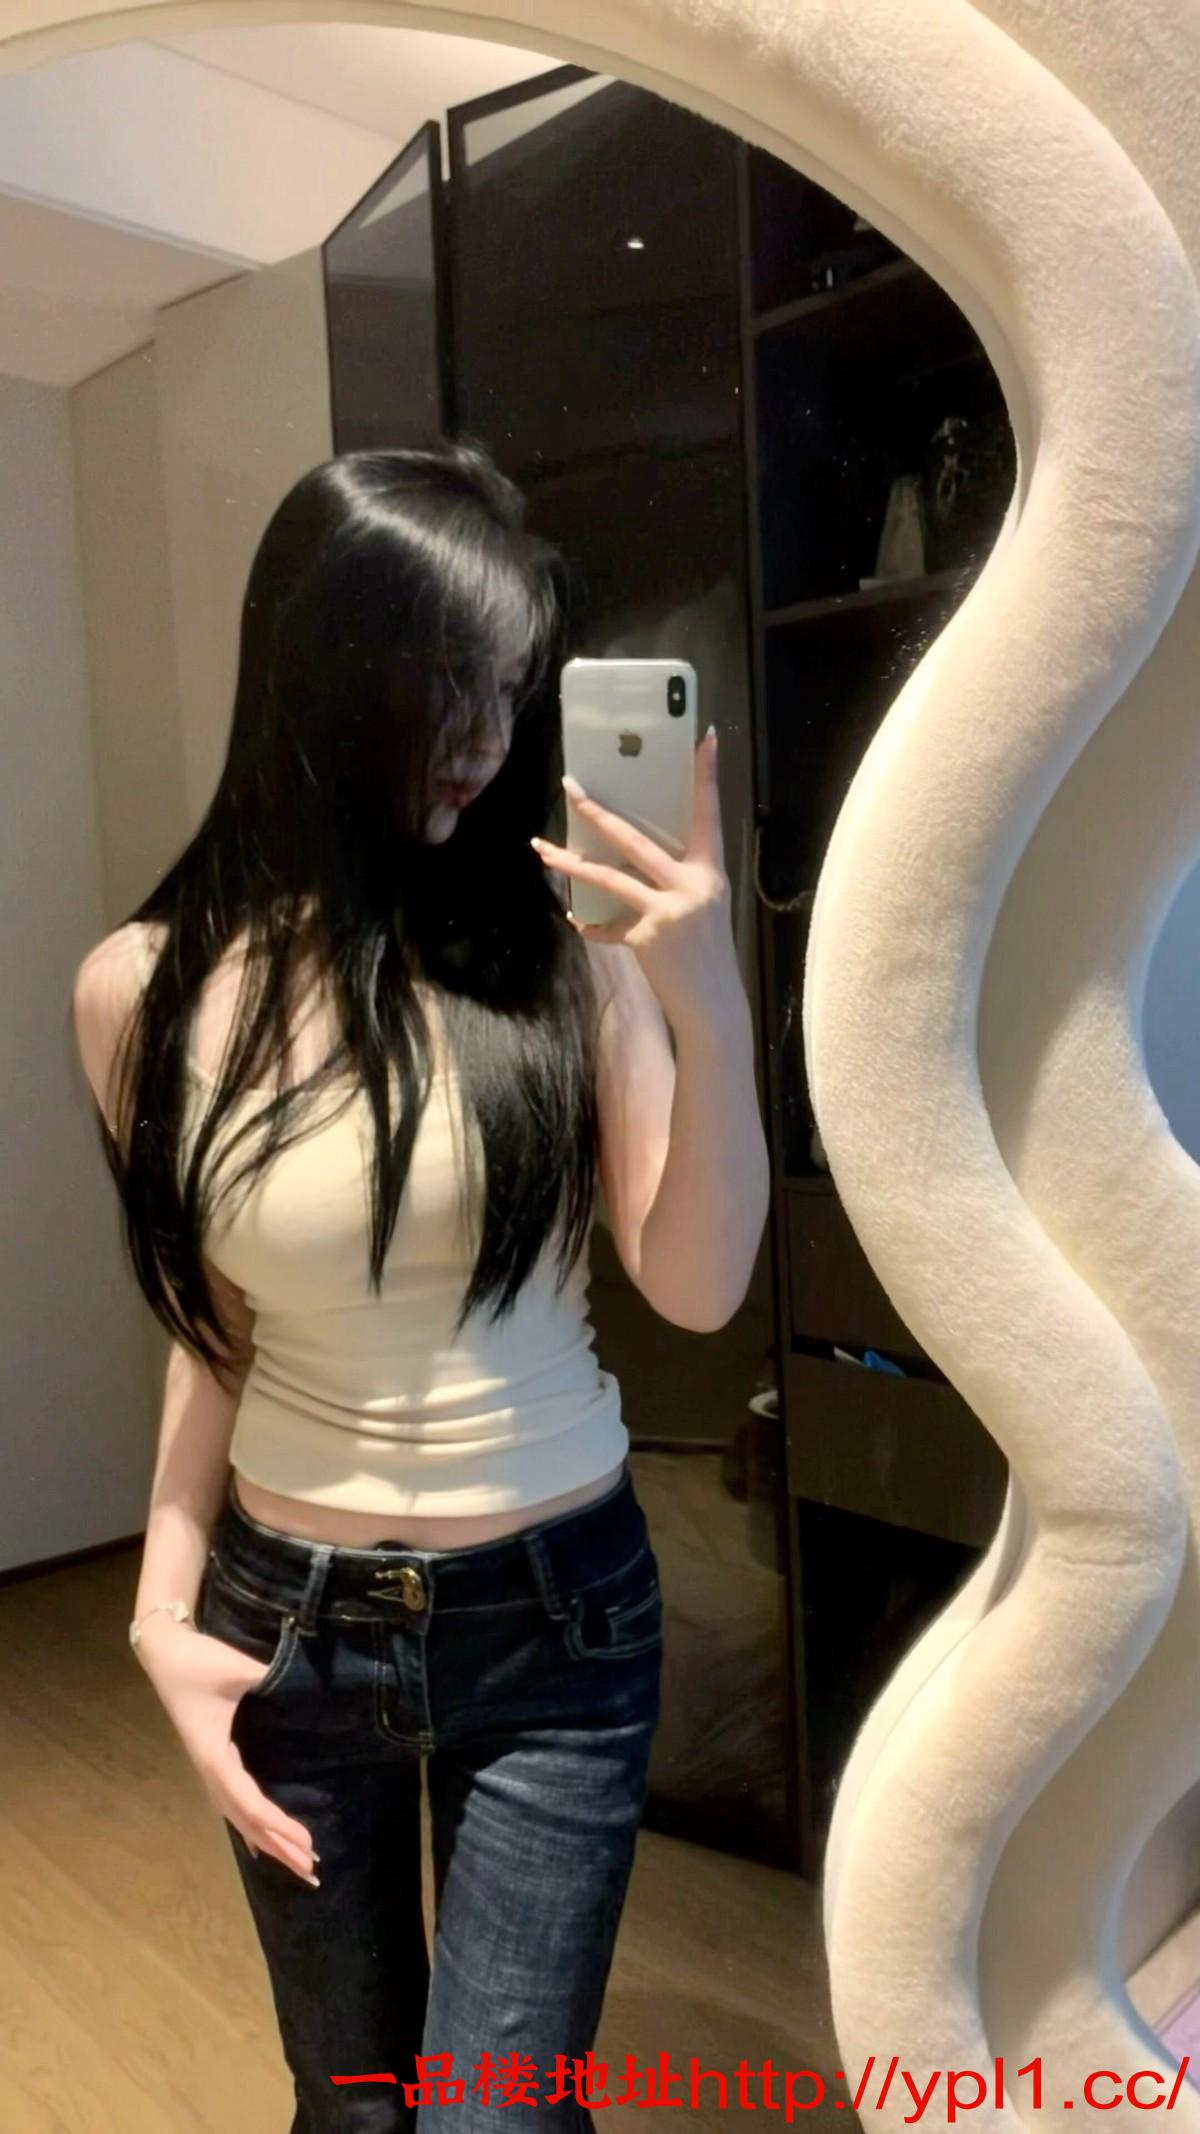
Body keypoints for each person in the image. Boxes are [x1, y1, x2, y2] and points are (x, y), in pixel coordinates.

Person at [72, 440, 770, 2134]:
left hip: (558, 1621)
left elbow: (696, 1284)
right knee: (353, 2105)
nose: (483, 728)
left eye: (510, 683)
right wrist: (163, 1614)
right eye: (447, 676)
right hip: (287, 1632)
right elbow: (217, 1338)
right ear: (320, 662)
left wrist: (703, 998)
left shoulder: (562, 951)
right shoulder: (137, 992)